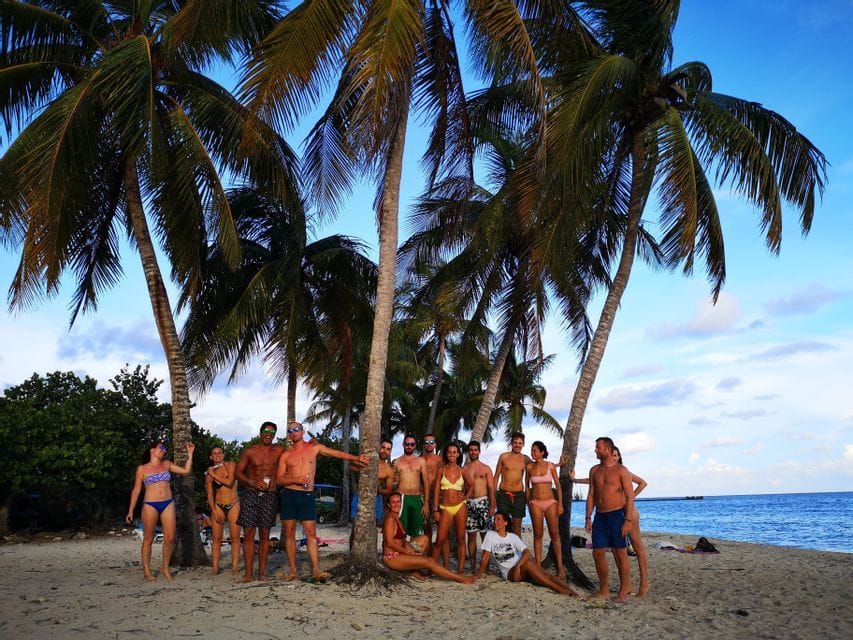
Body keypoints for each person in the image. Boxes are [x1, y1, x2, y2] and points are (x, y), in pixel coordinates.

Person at [276, 421, 368, 581]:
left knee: (311, 533)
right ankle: (293, 571)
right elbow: (279, 479)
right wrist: (296, 479)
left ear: (302, 431)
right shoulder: (286, 455)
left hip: (306, 495)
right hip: (289, 495)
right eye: (290, 431)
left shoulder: (314, 448)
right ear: (289, 435)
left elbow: (335, 453)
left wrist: (356, 458)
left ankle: (316, 569)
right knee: (289, 534)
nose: (293, 432)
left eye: (296, 429)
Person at [126, 441, 195, 581]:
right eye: (161, 447)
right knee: (148, 538)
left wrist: (190, 454)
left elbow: (186, 471)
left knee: (170, 538)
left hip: (168, 503)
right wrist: (130, 511)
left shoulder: (167, 464)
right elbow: (136, 490)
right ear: (152, 450)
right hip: (150, 504)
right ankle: (147, 570)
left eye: (165, 448)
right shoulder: (142, 468)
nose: (164, 450)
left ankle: (165, 568)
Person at [475, 511, 579, 597]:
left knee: (545, 574)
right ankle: (558, 588)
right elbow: (485, 557)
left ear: (505, 523)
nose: (495, 522)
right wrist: (478, 576)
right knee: (530, 564)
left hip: (521, 566)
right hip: (509, 572)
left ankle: (570, 590)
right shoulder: (490, 535)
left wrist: (518, 566)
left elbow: (526, 552)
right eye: (494, 520)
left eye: (498, 520)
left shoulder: (512, 537)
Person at [381, 492, 474, 585]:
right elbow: (389, 543)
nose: (396, 504)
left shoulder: (396, 516)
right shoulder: (390, 520)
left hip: (402, 550)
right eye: (393, 502)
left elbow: (400, 538)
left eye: (398, 501)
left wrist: (408, 546)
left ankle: (413, 570)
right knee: (429, 561)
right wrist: (406, 552)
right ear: (389, 505)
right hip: (392, 557)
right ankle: (460, 578)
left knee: (424, 539)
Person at [585, 436, 634, 603]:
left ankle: (623, 591)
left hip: (617, 515)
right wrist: (588, 517)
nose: (595, 450)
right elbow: (591, 495)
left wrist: (628, 520)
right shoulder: (594, 470)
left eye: (598, 447)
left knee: (620, 554)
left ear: (607, 449)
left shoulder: (622, 470)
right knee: (597, 552)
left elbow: (630, 497)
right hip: (600, 516)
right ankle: (604, 590)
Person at [235, 421, 284, 582]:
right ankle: (248, 574)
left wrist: (312, 443)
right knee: (249, 533)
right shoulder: (250, 451)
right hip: (251, 493)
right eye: (266, 431)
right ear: (260, 433)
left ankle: (262, 573)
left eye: (272, 432)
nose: (269, 434)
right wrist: (253, 482)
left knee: (265, 534)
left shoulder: (279, 451)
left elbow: (296, 454)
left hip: (270, 495)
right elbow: (238, 473)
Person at [525, 440, 566, 579]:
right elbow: (526, 486)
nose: (532, 453)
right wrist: (529, 503)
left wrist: (560, 504)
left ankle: (560, 568)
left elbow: (558, 486)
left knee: (555, 534)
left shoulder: (550, 466)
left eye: (535, 450)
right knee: (538, 535)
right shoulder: (529, 467)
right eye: (531, 450)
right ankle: (538, 567)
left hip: (550, 503)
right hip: (535, 503)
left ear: (542, 452)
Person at [430, 442, 473, 573]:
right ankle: (433, 570)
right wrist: (435, 509)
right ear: (446, 454)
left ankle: (460, 570)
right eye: (449, 452)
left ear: (458, 454)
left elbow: (471, 485)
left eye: (454, 452)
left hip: (460, 507)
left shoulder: (462, 471)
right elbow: (437, 491)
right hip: (445, 508)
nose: (452, 455)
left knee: (461, 538)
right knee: (440, 540)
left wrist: (465, 497)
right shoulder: (441, 470)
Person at [613, 445, 650, 596]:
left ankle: (644, 583)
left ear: (619, 457)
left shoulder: (624, 471)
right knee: (616, 550)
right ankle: (626, 585)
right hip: (615, 513)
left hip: (629, 512)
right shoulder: (604, 472)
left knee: (637, 547)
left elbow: (643, 483)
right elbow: (592, 480)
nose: (613, 457)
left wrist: (630, 498)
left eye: (616, 455)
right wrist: (574, 480)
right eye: (611, 455)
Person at [205, 446, 241, 576]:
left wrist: (213, 474)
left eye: (219, 452)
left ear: (223, 455)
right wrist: (213, 510)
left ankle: (235, 568)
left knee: (235, 537)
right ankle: (215, 569)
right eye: (214, 453)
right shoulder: (209, 475)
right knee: (216, 538)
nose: (217, 455)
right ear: (211, 457)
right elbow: (210, 495)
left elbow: (230, 482)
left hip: (233, 504)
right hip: (218, 505)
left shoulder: (230, 465)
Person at [464, 440, 496, 573]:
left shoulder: (486, 468)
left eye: (475, 450)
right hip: (469, 504)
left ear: (479, 451)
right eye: (471, 450)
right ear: (468, 452)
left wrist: (492, 506)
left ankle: (486, 567)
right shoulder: (464, 469)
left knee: (485, 536)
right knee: (471, 536)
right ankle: (472, 566)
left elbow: (491, 488)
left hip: (483, 503)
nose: (473, 452)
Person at [392, 434, 430, 539]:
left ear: (415, 446)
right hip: (402, 498)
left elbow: (426, 482)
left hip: (416, 498)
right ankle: (401, 549)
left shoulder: (421, 461)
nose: (409, 446)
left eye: (412, 444)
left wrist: (426, 502)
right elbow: (392, 482)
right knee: (400, 532)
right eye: (407, 444)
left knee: (417, 532)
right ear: (403, 445)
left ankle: (414, 550)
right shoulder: (397, 462)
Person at [493, 432, 528, 536]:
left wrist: (557, 465)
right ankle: (502, 546)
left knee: (517, 527)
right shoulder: (503, 457)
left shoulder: (525, 459)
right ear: (511, 443)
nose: (517, 445)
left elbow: (539, 464)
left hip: (519, 495)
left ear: (523, 444)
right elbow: (496, 476)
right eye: (515, 442)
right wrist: (493, 497)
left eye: (520, 443)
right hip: (503, 494)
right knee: (502, 526)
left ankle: (517, 547)